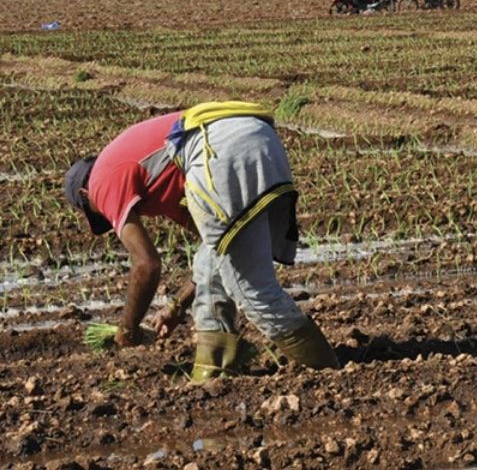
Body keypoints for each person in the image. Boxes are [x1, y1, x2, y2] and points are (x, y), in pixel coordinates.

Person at [64, 101, 339, 381]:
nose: (109, 219)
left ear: (86, 194)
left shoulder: (101, 180)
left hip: (217, 148)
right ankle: (215, 368)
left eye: (97, 213)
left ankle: (327, 371)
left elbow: (147, 264)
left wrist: (127, 329)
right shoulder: (161, 177)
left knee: (251, 288)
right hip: (254, 135)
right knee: (214, 262)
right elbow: (213, 249)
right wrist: (176, 307)